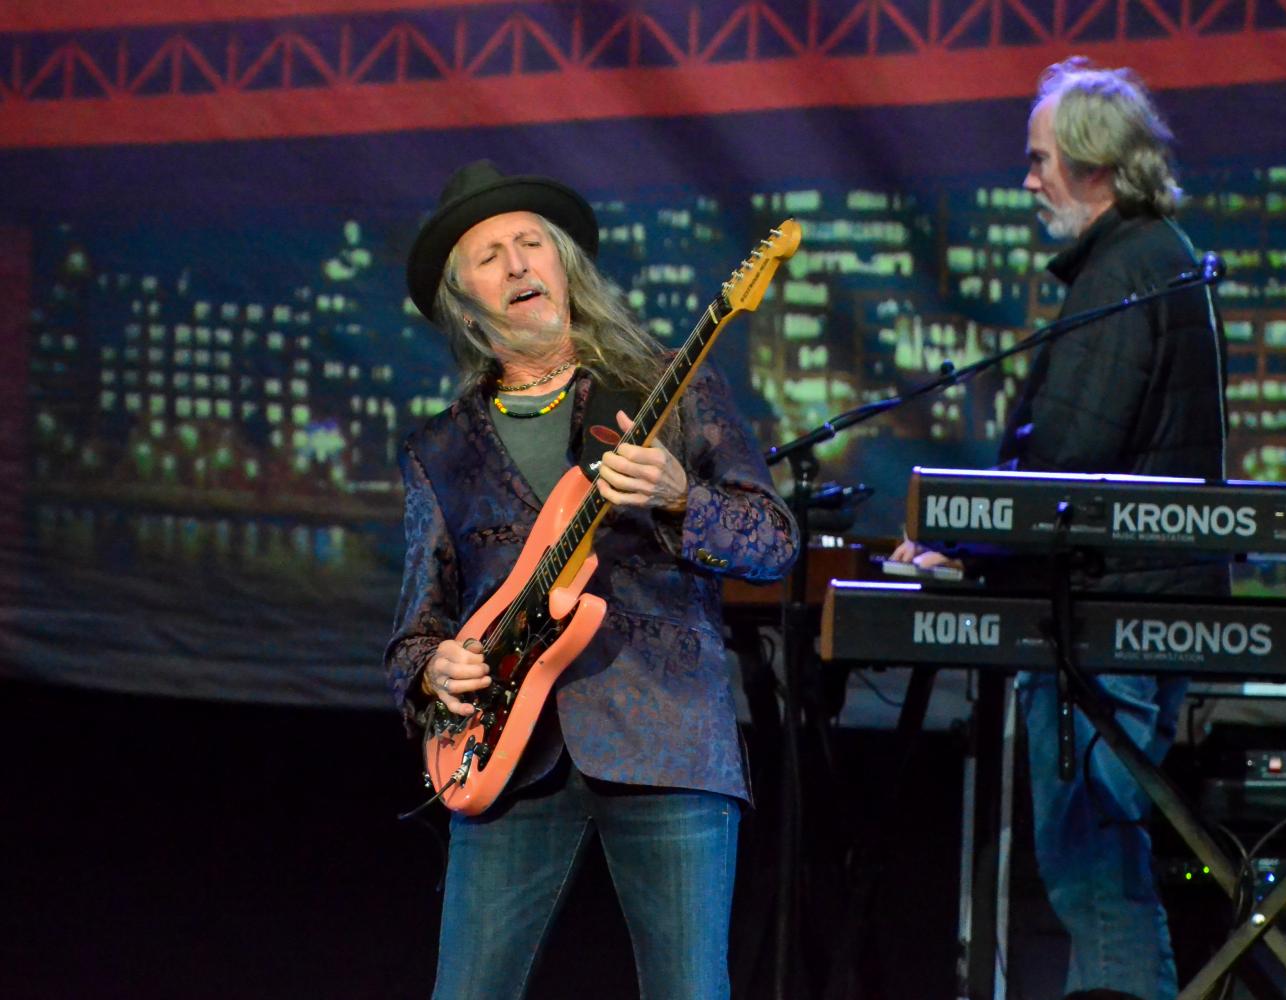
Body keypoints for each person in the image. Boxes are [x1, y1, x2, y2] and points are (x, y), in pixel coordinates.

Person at [384, 159, 797, 1000]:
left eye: (532, 242)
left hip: (667, 740)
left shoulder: (667, 390)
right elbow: (414, 630)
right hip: (504, 753)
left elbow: (774, 542)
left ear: (565, 267)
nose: (518, 263)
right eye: (490, 254)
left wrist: (683, 499)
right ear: (463, 303)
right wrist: (434, 669)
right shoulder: (441, 448)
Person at [896, 59, 1227, 1000]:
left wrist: (957, 544)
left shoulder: (1125, 270)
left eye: (1039, 160)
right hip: (1129, 614)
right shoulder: (1146, 257)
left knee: (1092, 866)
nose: (1028, 179)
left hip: (1110, 624)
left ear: (1094, 165)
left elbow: (1068, 473)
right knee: (1097, 861)